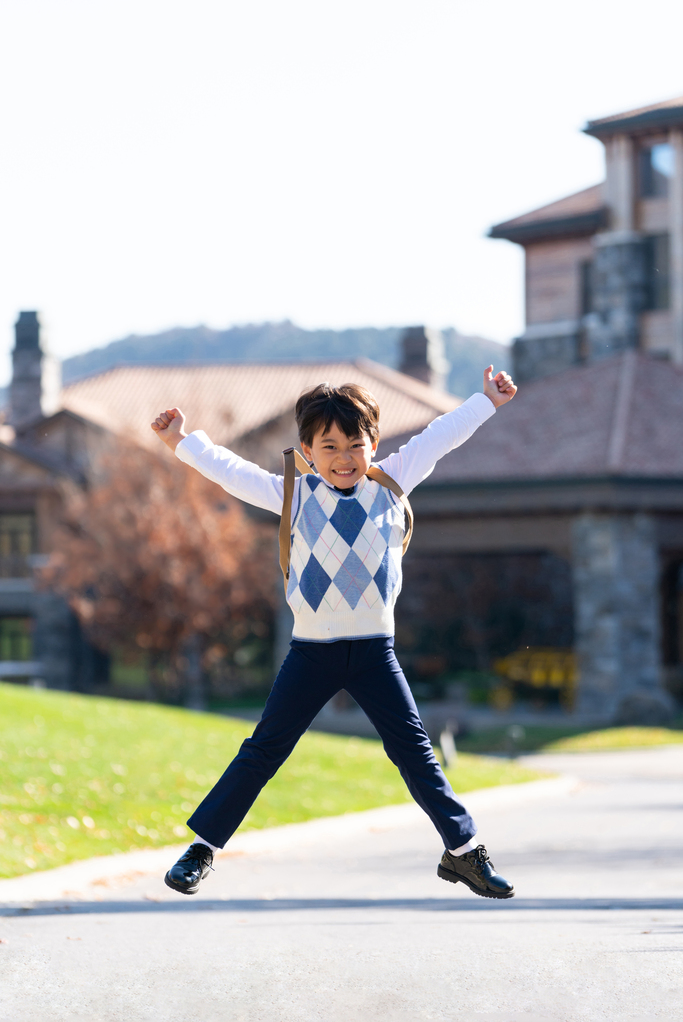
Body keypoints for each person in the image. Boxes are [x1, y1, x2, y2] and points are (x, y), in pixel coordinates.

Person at [151, 365, 517, 899]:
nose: (344, 458)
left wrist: (486, 401)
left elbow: (439, 436)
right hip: (312, 655)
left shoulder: (393, 481)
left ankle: (464, 853)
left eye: (355, 445)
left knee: (416, 753)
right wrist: (182, 441)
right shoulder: (292, 495)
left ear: (373, 444)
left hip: (374, 654)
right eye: (329, 447)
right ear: (307, 451)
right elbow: (229, 470)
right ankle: (201, 850)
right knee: (263, 751)